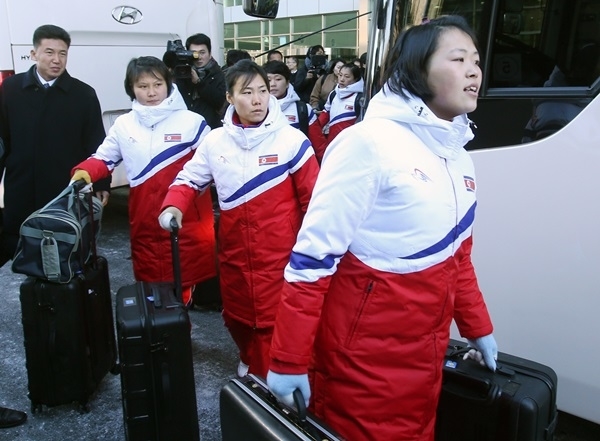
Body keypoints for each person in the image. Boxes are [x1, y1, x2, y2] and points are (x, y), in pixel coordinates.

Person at [266, 15, 497, 441]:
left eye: (477, 61)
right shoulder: (367, 143)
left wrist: (478, 328)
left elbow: (458, 257)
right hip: (360, 364)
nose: (473, 72)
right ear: (417, 68)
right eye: (458, 59)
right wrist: (287, 360)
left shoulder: (459, 156)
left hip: (425, 361)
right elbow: (312, 260)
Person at [158, 60, 319, 379]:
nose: (258, 99)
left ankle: (271, 390)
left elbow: (316, 201)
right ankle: (250, 365)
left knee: (275, 327)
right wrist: (173, 206)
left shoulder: (291, 142)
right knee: (237, 319)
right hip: (233, 255)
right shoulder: (215, 141)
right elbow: (189, 179)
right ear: (230, 98)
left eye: (262, 91)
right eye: (247, 92)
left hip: (282, 259)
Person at [71, 56, 217, 306]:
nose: (151, 92)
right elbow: (104, 158)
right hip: (144, 221)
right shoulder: (124, 124)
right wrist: (84, 172)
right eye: (142, 86)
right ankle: (161, 337)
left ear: (168, 84)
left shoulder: (192, 123)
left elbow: (216, 165)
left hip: (186, 223)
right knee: (151, 290)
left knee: (181, 291)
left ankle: (178, 337)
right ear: (131, 88)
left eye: (157, 84)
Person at [0, 24, 110, 267]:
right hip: (21, 186)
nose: (56, 60)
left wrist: (102, 182)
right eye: (49, 52)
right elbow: (2, 139)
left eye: (62, 53)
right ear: (33, 54)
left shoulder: (83, 95)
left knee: (64, 251)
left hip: (63, 189)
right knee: (22, 250)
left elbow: (97, 143)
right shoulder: (11, 89)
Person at [308, 63, 364, 163]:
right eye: (340, 75)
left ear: (355, 79)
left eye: (347, 76)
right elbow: (326, 112)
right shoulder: (334, 93)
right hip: (331, 142)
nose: (342, 79)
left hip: (350, 145)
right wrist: (316, 128)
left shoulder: (360, 98)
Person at [175, 33, 226, 129]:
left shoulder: (218, 74)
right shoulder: (182, 72)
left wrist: (199, 82)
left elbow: (220, 102)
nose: (198, 57)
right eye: (194, 53)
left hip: (210, 127)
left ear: (210, 54)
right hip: (186, 127)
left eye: (202, 52)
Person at [263, 60, 315, 136]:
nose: (273, 84)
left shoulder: (303, 109)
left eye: (278, 79)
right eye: (268, 80)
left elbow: (318, 145)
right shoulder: (256, 109)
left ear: (287, 83)